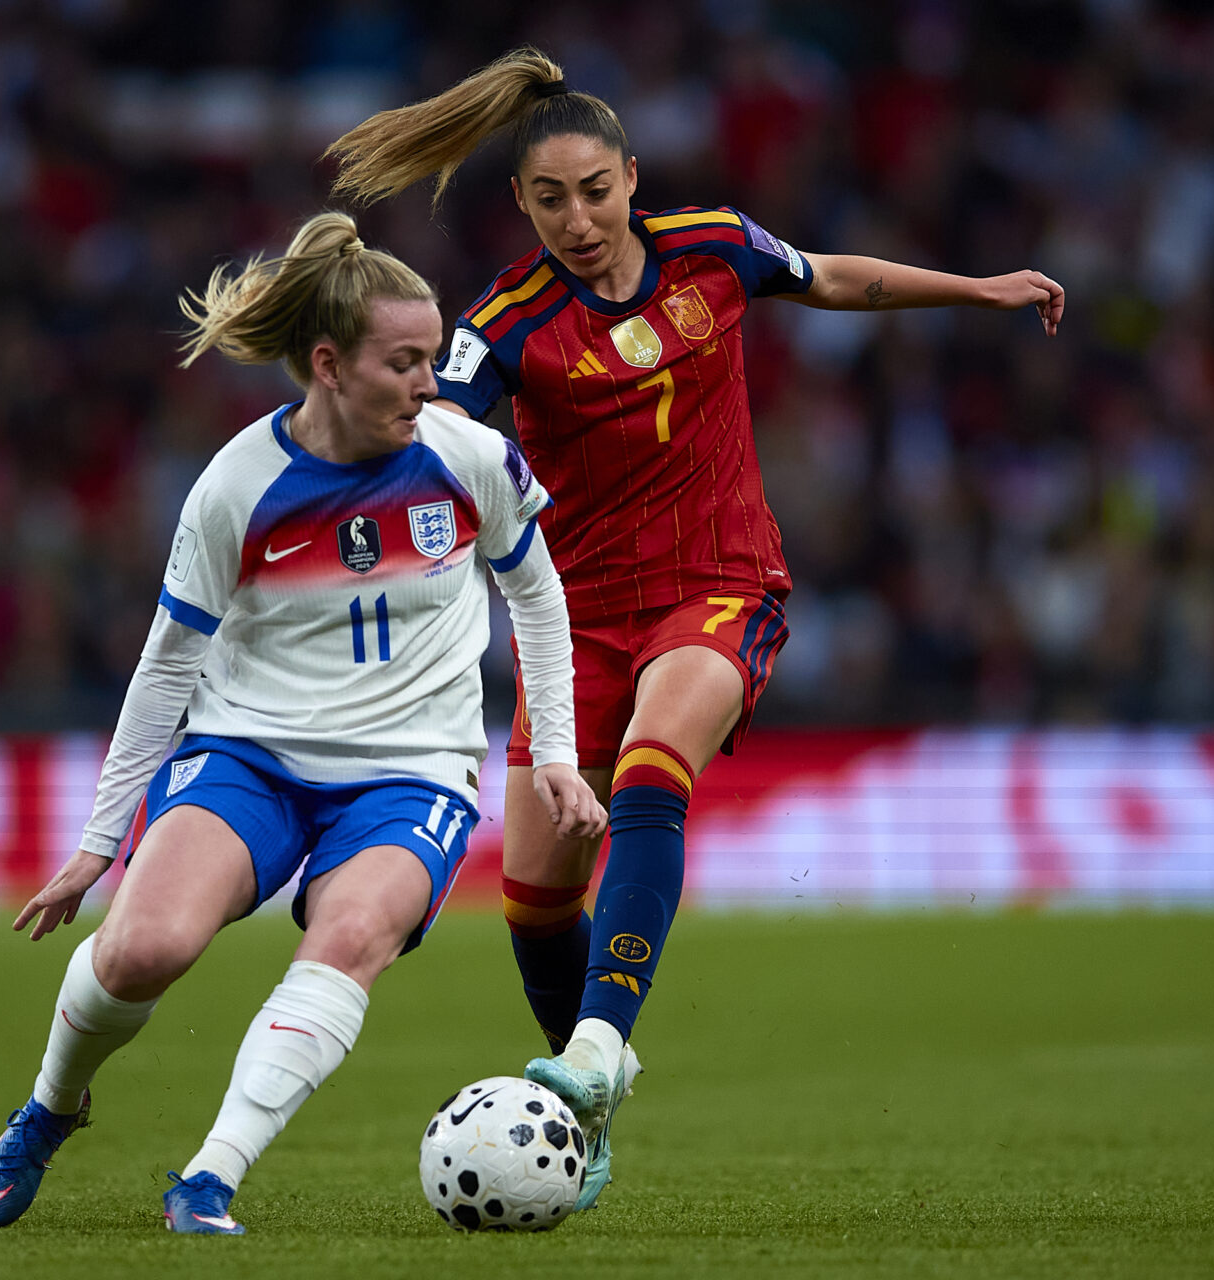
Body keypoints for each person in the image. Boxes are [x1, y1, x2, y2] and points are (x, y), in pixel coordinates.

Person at [326, 47, 1064, 1209]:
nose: (578, 218)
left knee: (654, 774)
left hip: (722, 582)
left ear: (633, 176)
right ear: (521, 204)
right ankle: (590, 1094)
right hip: (581, 625)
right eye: (549, 198)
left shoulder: (714, 245)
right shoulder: (506, 325)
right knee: (531, 900)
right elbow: (426, 428)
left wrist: (977, 289)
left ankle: (598, 1048)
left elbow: (830, 279)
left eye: (596, 190)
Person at [0, 211, 604, 1235]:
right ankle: (49, 1106)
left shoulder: (469, 457)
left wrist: (557, 755)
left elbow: (540, 596)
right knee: (143, 949)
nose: (429, 383)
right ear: (327, 364)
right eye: (404, 363)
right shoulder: (235, 488)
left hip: (414, 773)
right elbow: (166, 663)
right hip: (248, 754)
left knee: (351, 936)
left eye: (433, 359)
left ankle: (207, 1179)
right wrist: (96, 843)